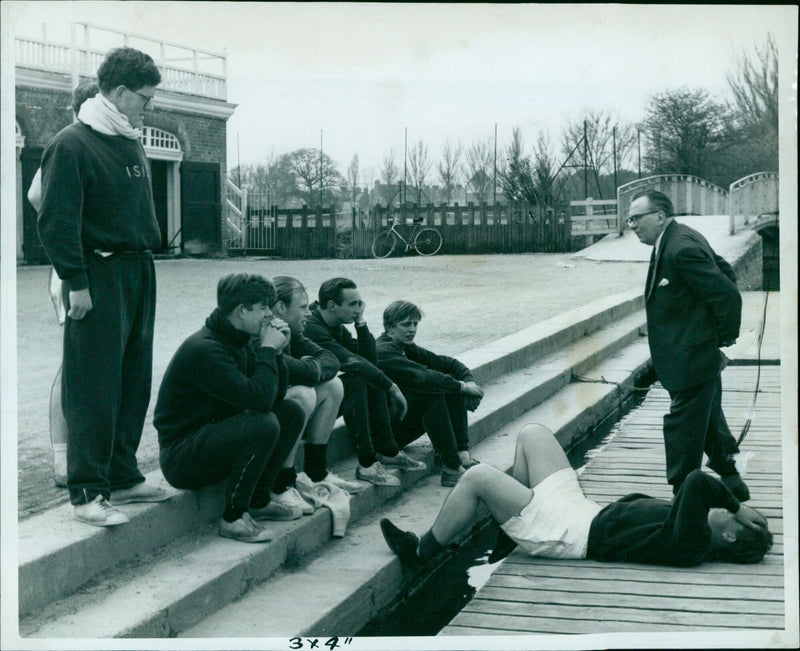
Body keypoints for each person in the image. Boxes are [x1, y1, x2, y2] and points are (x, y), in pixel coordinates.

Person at [37, 47, 168, 526]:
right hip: (98, 273)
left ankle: (121, 475)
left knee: (133, 377)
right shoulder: (71, 144)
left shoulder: (128, 139)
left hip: (138, 269)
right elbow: (54, 220)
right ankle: (87, 491)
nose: (148, 108)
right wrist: (77, 282)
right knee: (93, 383)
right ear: (117, 92)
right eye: (144, 98)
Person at [381, 424, 772, 573]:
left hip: (568, 532)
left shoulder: (694, 542)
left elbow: (696, 481)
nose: (726, 511)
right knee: (533, 433)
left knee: (478, 476)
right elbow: (639, 502)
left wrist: (739, 504)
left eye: (734, 518)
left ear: (732, 537)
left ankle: (420, 553)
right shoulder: (692, 529)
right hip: (582, 512)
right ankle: (507, 525)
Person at [154, 274, 308, 542]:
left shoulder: (237, 338)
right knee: (264, 424)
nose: (269, 315)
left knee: (291, 413)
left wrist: (278, 353)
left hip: (209, 440)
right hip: (182, 458)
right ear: (242, 310)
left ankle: (258, 501)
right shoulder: (207, 350)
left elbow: (274, 397)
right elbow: (259, 402)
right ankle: (234, 518)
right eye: (263, 308)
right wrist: (268, 350)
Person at [627, 190, 749, 501]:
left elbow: (727, 294)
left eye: (636, 217)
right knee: (708, 419)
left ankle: (683, 495)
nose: (632, 225)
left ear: (659, 216)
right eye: (629, 219)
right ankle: (733, 480)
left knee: (683, 426)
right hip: (689, 353)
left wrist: (720, 339)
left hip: (691, 357)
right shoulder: (678, 238)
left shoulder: (679, 247)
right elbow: (726, 272)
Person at [27, 79, 101, 489]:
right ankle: (61, 454)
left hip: (94, 268)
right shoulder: (69, 143)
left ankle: (85, 451)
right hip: (72, 267)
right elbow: (39, 197)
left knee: (91, 364)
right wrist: (77, 229)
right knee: (71, 362)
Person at [304, 278, 425, 487]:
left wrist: (360, 322)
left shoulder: (335, 325)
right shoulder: (312, 328)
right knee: (356, 380)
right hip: (303, 408)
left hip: (317, 400)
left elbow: (369, 359)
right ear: (332, 306)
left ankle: (388, 451)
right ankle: (367, 464)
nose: (358, 308)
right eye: (353, 304)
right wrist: (392, 387)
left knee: (366, 376)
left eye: (360, 303)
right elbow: (351, 362)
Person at [269, 276, 365, 496]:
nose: (309, 313)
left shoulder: (293, 331)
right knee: (303, 394)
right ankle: (284, 481)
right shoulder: (264, 333)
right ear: (281, 307)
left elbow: (330, 359)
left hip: (278, 413)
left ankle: (316, 471)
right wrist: (309, 369)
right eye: (302, 307)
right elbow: (291, 367)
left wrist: (307, 369)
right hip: (258, 422)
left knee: (334, 385)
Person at [376, 301, 483, 487]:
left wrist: (469, 382)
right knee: (432, 392)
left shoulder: (406, 348)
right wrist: (462, 388)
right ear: (390, 327)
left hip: (398, 422)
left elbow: (446, 363)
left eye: (415, 324)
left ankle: (460, 454)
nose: (412, 330)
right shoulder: (384, 351)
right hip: (382, 434)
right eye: (405, 324)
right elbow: (424, 377)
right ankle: (451, 468)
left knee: (447, 382)